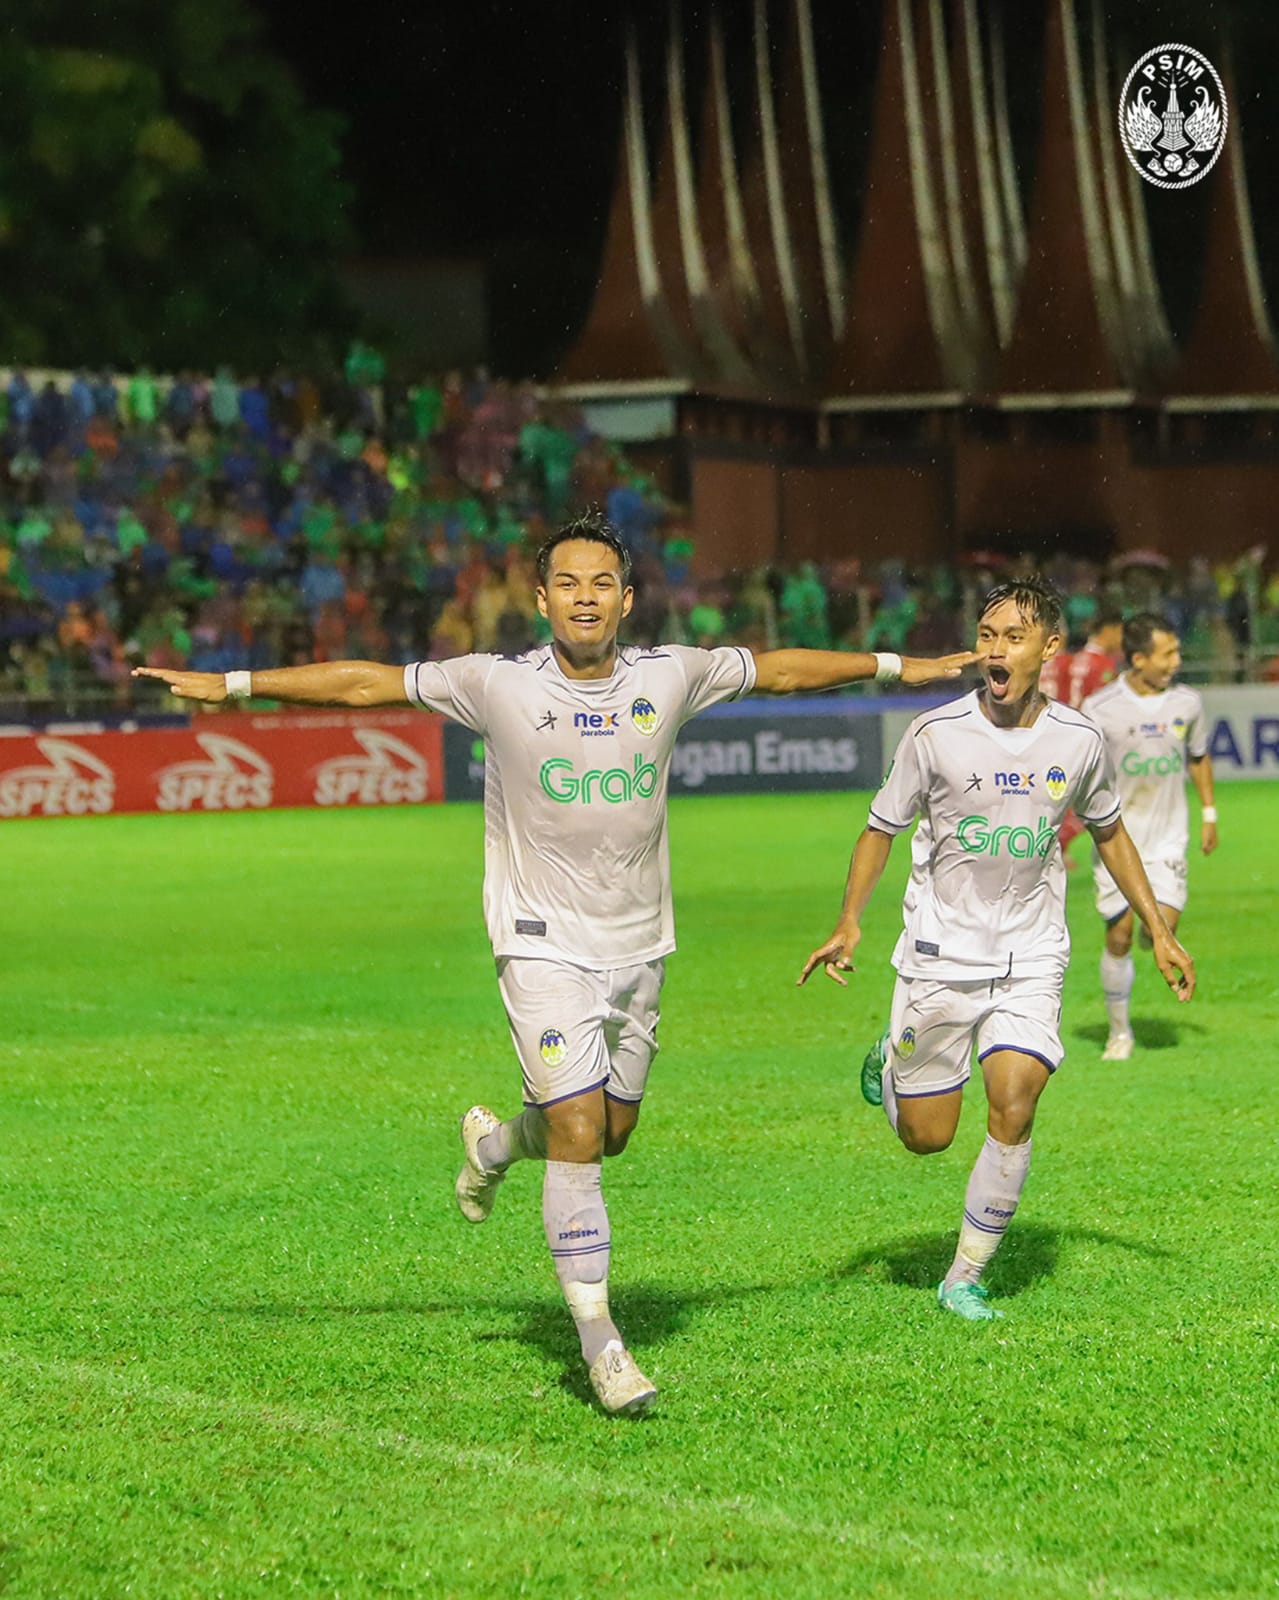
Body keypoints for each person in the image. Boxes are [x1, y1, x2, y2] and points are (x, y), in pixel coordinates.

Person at [134, 510, 975, 1414]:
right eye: (567, 583)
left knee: (607, 1131)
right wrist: (232, 684)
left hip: (639, 944)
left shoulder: (671, 674)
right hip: (536, 940)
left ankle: (494, 1143)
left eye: (601, 583)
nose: (585, 597)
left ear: (625, 598)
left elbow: (779, 671)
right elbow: (363, 685)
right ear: (539, 599)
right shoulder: (493, 683)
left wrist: (903, 668)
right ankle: (601, 1345)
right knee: (578, 1129)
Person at [798, 578, 1195, 1323]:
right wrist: (849, 921)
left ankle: (964, 1276)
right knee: (926, 1138)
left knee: (1014, 1102)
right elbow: (879, 830)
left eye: (1011, 636)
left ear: (1048, 647)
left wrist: (1160, 929)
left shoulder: (1078, 741)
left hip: (1030, 953)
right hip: (939, 954)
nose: (993, 649)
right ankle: (892, 1061)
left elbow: (1108, 832)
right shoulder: (934, 734)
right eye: (985, 634)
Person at [1081, 613, 1216, 1061]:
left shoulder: (1188, 704)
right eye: (1168, 653)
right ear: (1138, 659)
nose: (1176, 661)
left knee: (1163, 928)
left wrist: (1210, 813)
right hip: (1118, 839)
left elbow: (1198, 756)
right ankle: (1119, 1033)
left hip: (1167, 839)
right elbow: (1083, 770)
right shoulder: (1099, 709)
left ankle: (1150, 932)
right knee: (1119, 936)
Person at [1041, 608, 1124, 863]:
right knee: (1093, 801)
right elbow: (1108, 707)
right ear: (1108, 630)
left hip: (1055, 732)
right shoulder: (1102, 664)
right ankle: (1051, 846)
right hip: (1084, 738)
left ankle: (1053, 847)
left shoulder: (1070, 661)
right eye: (1120, 632)